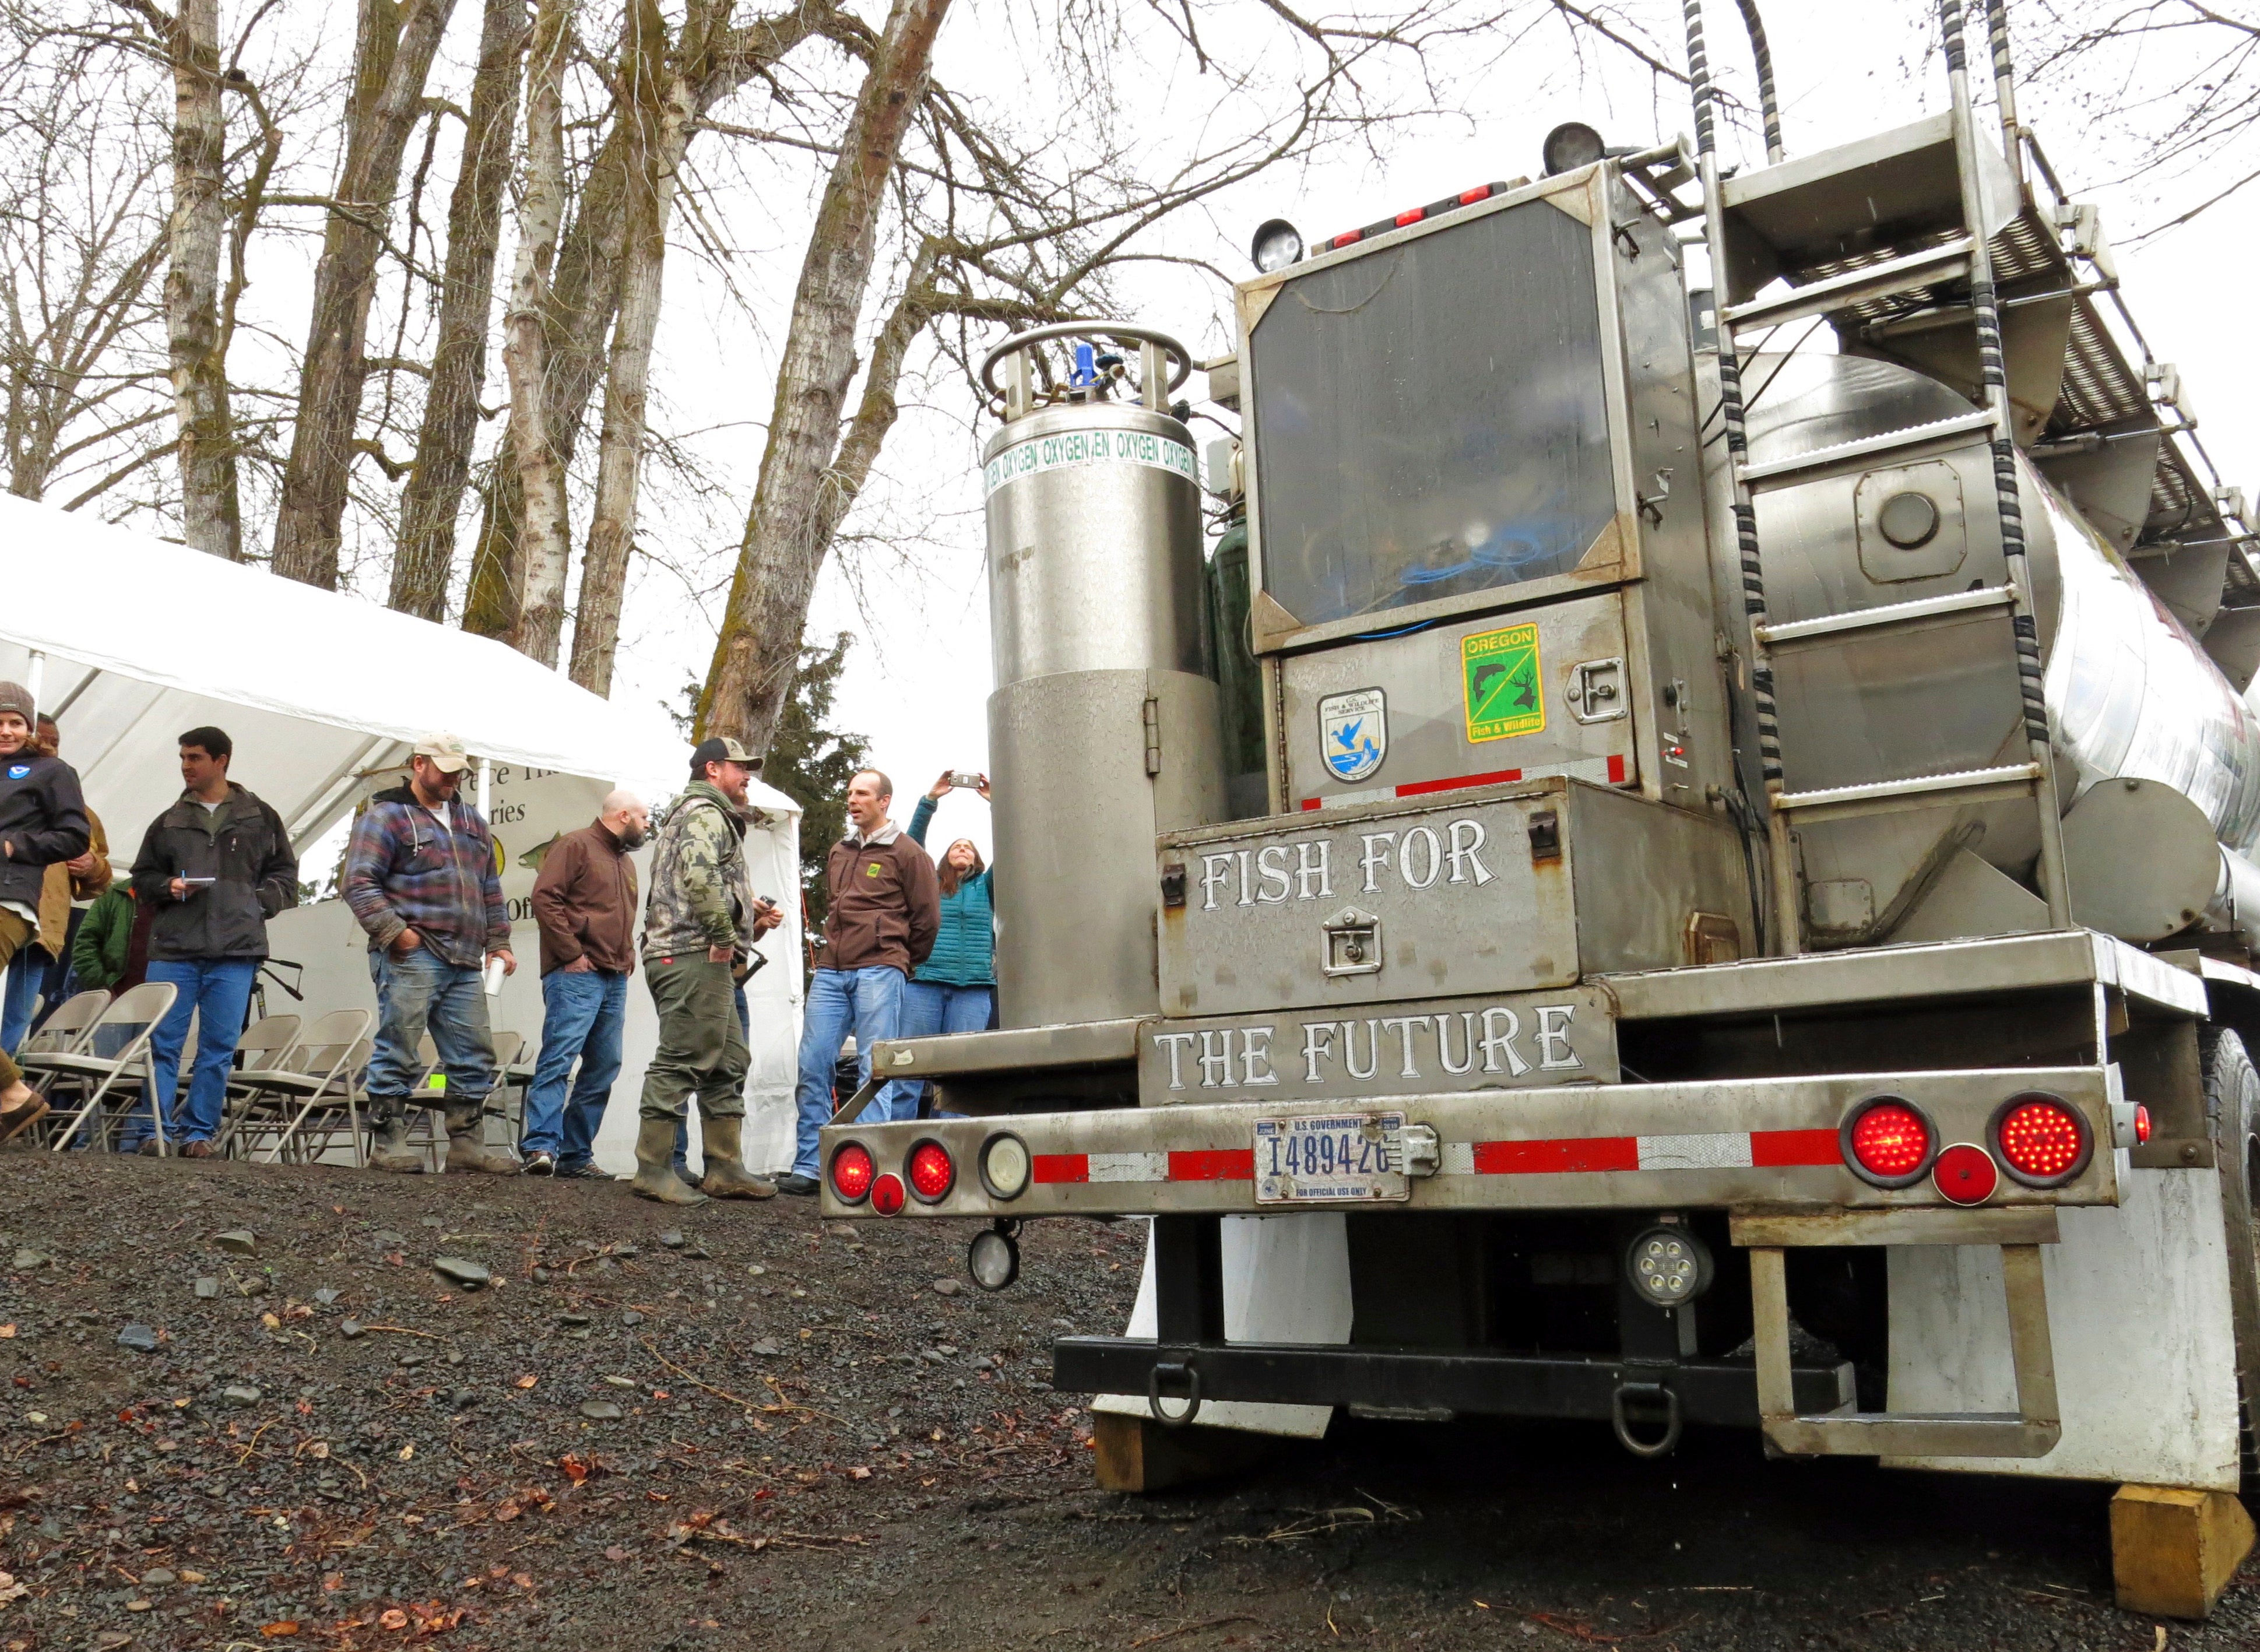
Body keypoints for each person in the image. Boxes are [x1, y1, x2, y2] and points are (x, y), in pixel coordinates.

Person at [342, 733, 516, 1175]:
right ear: (418, 764)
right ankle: (388, 1145)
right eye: (446, 770)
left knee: (475, 1053)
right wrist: (396, 933)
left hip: (464, 958)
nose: (454, 779)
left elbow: (490, 887)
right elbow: (358, 882)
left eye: (460, 771)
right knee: (400, 1048)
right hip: (412, 954)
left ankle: (466, 1147)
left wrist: (499, 943)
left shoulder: (472, 821)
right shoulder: (385, 816)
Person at [126, 727, 299, 1157]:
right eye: (183, 758)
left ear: (222, 761)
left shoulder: (261, 817)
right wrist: (167, 886)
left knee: (219, 1047)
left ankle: (199, 1134)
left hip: (237, 950)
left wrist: (258, 903)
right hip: (174, 949)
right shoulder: (168, 820)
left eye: (195, 757)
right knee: (161, 1044)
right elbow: (142, 878)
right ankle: (155, 1132)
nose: (186, 766)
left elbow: (285, 874)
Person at [632, 736, 783, 1205]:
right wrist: (723, 935)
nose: (747, 776)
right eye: (740, 768)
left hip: (698, 953)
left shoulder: (705, 815)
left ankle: (724, 1167)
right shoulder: (705, 812)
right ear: (713, 769)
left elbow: (699, 878)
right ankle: (652, 1169)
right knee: (681, 1058)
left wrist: (742, 909)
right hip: (692, 952)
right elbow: (699, 878)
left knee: (729, 1060)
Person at [781, 768, 940, 1195]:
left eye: (863, 794)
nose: (852, 800)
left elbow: (927, 920)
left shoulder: (909, 854)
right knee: (813, 1064)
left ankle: (869, 1172)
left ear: (884, 801)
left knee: (876, 1070)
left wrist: (898, 959)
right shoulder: (840, 851)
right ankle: (810, 1167)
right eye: (850, 792)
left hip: (880, 969)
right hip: (831, 970)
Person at [522, 789, 649, 1179]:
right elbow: (544, 899)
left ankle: (576, 1155)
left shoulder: (626, 861)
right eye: (644, 818)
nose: (647, 826)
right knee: (559, 1058)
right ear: (624, 815)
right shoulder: (574, 845)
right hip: (575, 974)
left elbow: (620, 916)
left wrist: (628, 953)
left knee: (605, 1064)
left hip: (613, 975)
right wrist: (571, 954)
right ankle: (541, 1147)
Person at [0, 682, 89, 1144]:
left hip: (9, 898)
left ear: (30, 727)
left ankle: (13, 1093)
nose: (6, 730)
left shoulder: (51, 771)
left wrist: (16, 846)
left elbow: (75, 836)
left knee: (16, 1015)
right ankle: (12, 1095)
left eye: (15, 722)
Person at [2, 714, 110, 1052]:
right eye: (44, 739)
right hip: (9, 907)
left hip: (42, 931)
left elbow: (100, 880)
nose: (48, 747)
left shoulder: (79, 809)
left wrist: (93, 867)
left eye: (55, 742)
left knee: (15, 1019)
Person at [902, 771, 996, 1113]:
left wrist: (998, 806)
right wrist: (930, 801)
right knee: (908, 1070)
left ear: (976, 859)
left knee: (960, 1076)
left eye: (968, 847)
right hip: (924, 986)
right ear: (946, 856)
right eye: (957, 846)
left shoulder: (987, 886)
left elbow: (1011, 847)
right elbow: (911, 847)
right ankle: (896, 1136)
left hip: (972, 990)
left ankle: (952, 1140)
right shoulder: (930, 883)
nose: (963, 849)